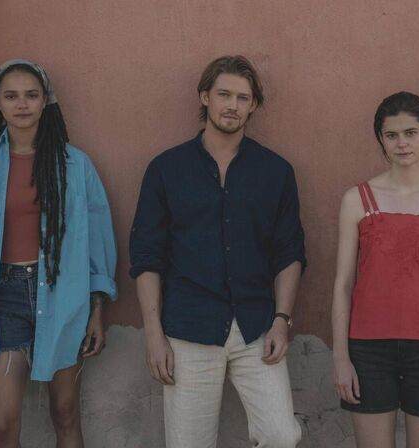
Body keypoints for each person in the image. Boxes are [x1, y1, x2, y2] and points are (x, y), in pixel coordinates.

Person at [129, 55, 305, 448]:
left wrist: (282, 320)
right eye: (224, 94)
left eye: (243, 98)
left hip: (257, 327)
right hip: (189, 328)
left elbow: (289, 251)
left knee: (280, 435)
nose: (233, 105)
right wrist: (154, 335)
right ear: (204, 97)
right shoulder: (166, 169)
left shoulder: (276, 171)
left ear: (253, 105)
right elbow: (146, 256)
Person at [0, 59, 117, 448]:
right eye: (11, 96)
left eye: (31, 95)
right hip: (1, 299)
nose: (22, 104)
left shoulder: (75, 165)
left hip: (63, 295)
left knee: (65, 413)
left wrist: (97, 311)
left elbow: (98, 244)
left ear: (46, 101)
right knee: (2, 423)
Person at [331, 91, 419, 448]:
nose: (402, 143)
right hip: (367, 349)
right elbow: (343, 285)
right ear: (380, 138)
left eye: (410, 133)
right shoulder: (357, 200)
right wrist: (341, 358)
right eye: (391, 135)